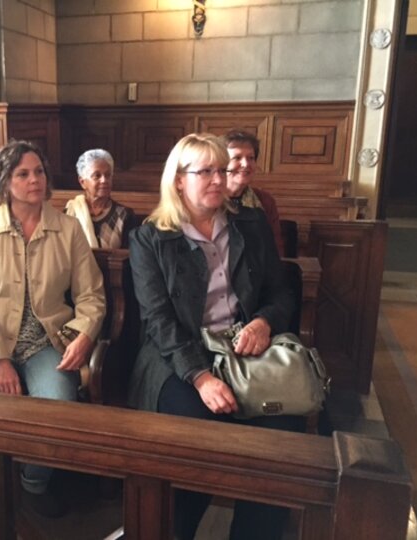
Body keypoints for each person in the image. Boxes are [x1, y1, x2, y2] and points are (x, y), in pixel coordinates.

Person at [128, 133, 303, 539]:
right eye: (204, 171)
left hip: (246, 347)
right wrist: (201, 376)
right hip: (179, 355)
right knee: (201, 437)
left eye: (221, 170)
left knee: (281, 436)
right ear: (178, 180)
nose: (218, 179)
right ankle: (175, 530)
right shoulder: (150, 237)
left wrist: (263, 322)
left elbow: (281, 291)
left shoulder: (250, 224)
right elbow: (158, 321)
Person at [0, 140, 106, 518]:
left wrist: (83, 335)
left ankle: (33, 481)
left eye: (39, 172)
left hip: (48, 341)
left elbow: (92, 295)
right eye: (23, 173)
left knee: (57, 409)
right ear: (5, 182)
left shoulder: (68, 229)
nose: (35, 180)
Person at [223, 129, 284, 256]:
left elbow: (275, 248)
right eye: (237, 158)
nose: (246, 164)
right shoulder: (210, 199)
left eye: (251, 158)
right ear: (222, 163)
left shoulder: (265, 200)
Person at [64, 148, 137, 248]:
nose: (104, 180)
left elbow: (129, 256)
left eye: (108, 175)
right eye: (97, 176)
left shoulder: (124, 215)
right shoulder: (70, 213)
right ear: (82, 182)